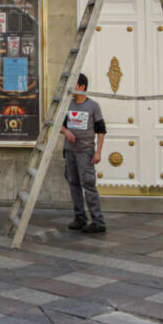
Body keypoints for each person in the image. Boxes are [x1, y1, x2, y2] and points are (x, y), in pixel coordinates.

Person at [61, 73, 107, 233]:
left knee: (88, 184)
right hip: (70, 151)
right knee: (73, 183)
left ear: (82, 87)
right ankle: (80, 217)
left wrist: (98, 152)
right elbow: (60, 125)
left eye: (74, 84)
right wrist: (66, 132)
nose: (71, 87)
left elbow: (101, 130)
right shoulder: (68, 105)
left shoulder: (93, 106)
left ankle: (98, 221)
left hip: (85, 152)